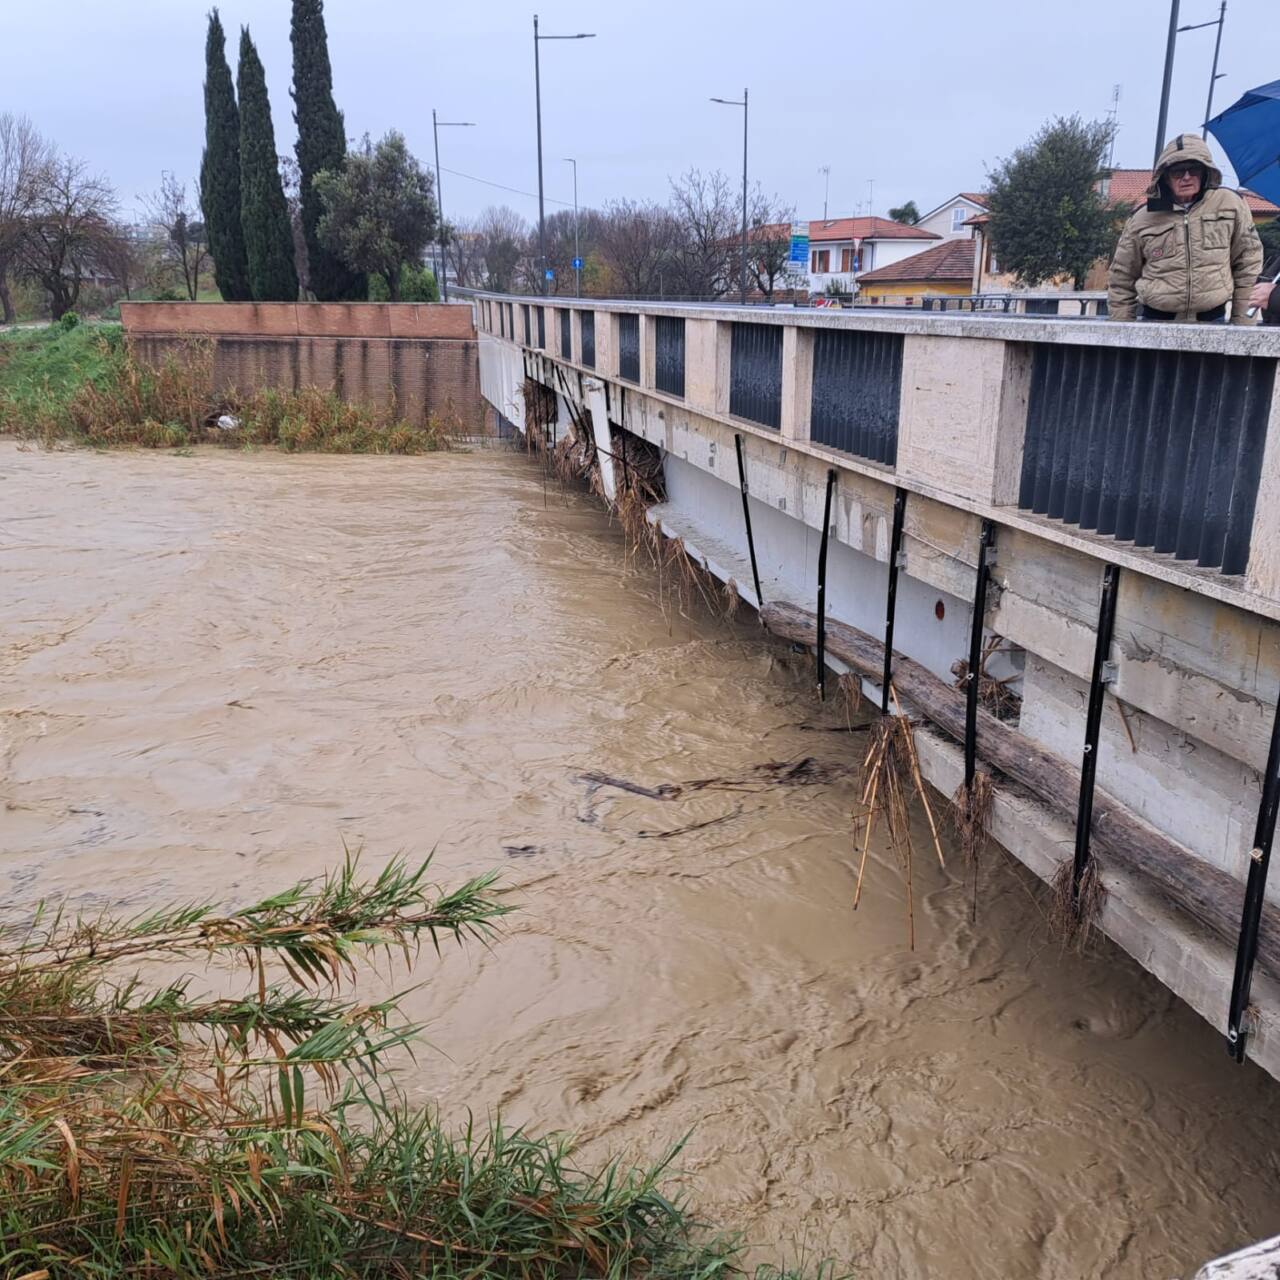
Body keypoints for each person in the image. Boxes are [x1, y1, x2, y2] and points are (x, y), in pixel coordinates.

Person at [1108, 134, 1262, 324]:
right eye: (1178, 171)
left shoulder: (1230, 204)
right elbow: (1121, 278)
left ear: (1206, 171)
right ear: (1165, 177)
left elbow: (1248, 263)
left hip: (1212, 319)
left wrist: (1242, 323)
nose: (1186, 177)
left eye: (1194, 169)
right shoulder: (1143, 217)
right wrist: (1123, 333)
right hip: (1155, 322)